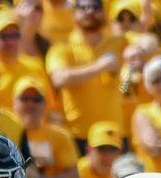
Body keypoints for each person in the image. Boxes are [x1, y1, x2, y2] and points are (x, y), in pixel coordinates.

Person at [45, 0, 126, 146]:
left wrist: (140, 50)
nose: (90, 11)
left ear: (104, 12)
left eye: (95, 7)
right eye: (83, 7)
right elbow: (60, 78)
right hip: (79, 135)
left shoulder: (118, 42)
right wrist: (100, 66)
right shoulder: (63, 47)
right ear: (73, 14)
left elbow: (148, 41)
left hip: (114, 135)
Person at [14, 77, 80, 178]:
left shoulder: (59, 135)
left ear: (45, 103)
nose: (30, 104)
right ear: (14, 102)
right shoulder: (7, 132)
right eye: (25, 99)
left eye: (36, 100)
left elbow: (73, 177)